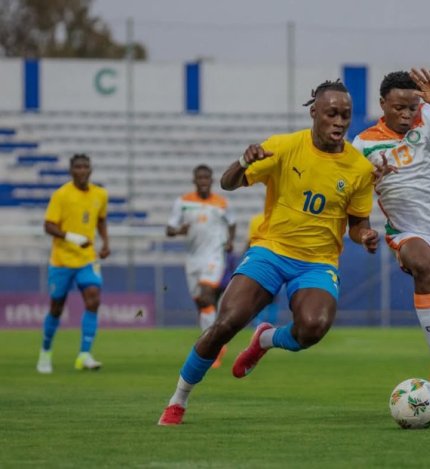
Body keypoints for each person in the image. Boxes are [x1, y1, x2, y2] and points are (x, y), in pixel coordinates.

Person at [158, 79, 380, 425]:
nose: (339, 122)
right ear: (314, 112)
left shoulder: (360, 168)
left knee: (313, 328)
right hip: (271, 252)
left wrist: (364, 234)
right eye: (332, 114)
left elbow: (357, 223)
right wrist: (242, 160)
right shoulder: (284, 146)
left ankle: (265, 339)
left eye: (346, 115)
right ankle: (178, 400)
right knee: (226, 323)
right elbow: (227, 183)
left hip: (317, 262)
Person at [352, 68, 430, 393]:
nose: (407, 114)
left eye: (412, 107)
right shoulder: (363, 144)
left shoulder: (429, 117)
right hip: (408, 231)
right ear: (383, 104)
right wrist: (365, 224)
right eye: (399, 107)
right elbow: (352, 191)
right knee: (422, 264)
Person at [36, 153, 110, 374]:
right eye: (78, 167)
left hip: (87, 259)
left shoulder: (100, 194)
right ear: (71, 171)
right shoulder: (61, 195)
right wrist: (72, 237)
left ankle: (84, 355)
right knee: (56, 308)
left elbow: (101, 219)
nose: (82, 170)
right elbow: (48, 225)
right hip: (62, 261)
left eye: (85, 166)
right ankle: (45, 352)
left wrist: (106, 242)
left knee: (93, 299)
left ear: (90, 170)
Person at [166, 164, 236, 368]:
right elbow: (169, 229)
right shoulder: (183, 202)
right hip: (193, 259)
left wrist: (230, 241)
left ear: (211, 181)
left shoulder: (222, 203)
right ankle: (216, 340)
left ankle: (212, 348)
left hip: (214, 256)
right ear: (194, 180)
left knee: (207, 296)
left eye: (206, 178)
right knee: (202, 304)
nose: (203, 181)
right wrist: (178, 231)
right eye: (200, 178)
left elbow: (232, 223)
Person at [246, 212, 279, 327]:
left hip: (264, 259)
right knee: (269, 294)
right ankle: (266, 322)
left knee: (262, 293)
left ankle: (262, 322)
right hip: (271, 259)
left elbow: (249, 242)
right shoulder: (259, 219)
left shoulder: (257, 219)